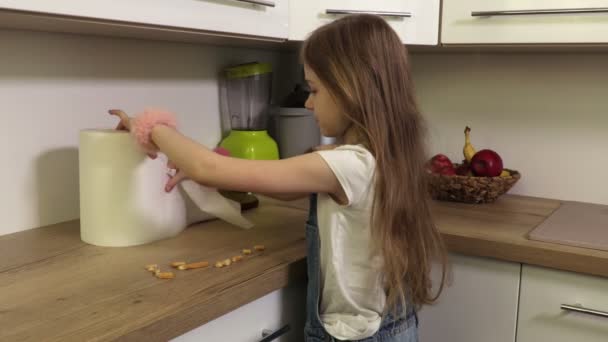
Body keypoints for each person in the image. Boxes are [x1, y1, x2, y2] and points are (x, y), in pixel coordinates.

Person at [110, 13, 447, 342]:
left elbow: (206, 167)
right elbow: (284, 187)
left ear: (351, 89)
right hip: (395, 325)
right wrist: (217, 177)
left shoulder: (350, 164)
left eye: (314, 90)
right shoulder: (383, 156)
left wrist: (146, 126)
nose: (309, 104)